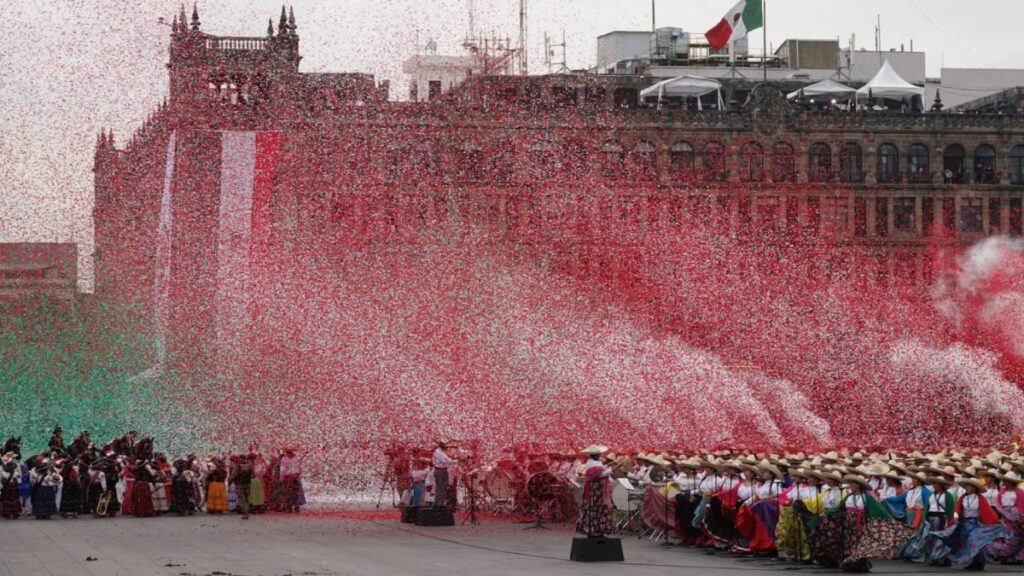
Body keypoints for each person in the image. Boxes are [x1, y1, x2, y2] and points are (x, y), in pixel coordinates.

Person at [576, 445, 613, 538]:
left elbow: (600, 472)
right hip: (595, 490)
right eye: (598, 454)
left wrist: (608, 467)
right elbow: (599, 475)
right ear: (595, 455)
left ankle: (597, 530)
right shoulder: (592, 464)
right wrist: (610, 471)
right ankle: (594, 530)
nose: (600, 455)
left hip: (597, 490)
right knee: (595, 508)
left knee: (598, 508)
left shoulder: (595, 463)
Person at [431, 440, 456, 509]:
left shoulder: (440, 451)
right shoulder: (439, 452)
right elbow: (446, 461)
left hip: (440, 471)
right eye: (445, 445)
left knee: (441, 488)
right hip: (441, 471)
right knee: (441, 488)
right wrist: (456, 461)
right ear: (442, 445)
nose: (447, 446)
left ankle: (438, 504)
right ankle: (439, 505)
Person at [278, 448, 302, 513]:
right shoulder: (284, 459)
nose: (288, 454)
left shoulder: (296, 459)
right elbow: (282, 470)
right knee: (288, 494)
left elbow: (298, 469)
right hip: (287, 478)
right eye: (287, 453)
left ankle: (296, 507)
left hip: (294, 478)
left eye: (289, 453)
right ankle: (289, 508)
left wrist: (296, 476)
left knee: (295, 494)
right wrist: (282, 478)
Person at [231, 454, 253, 519]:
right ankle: (247, 512)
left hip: (240, 484)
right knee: (246, 499)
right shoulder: (249, 465)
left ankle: (246, 513)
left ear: (240, 458)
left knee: (241, 499)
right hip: (248, 483)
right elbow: (252, 473)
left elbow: (234, 475)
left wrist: (231, 480)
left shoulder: (238, 465)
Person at [1, 453, 21, 519]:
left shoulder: (3, 473)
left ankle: (7, 514)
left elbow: (2, 480)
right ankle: (15, 513)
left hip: (7, 487)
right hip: (14, 487)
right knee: (14, 500)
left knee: (7, 500)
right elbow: (19, 477)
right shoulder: (15, 473)